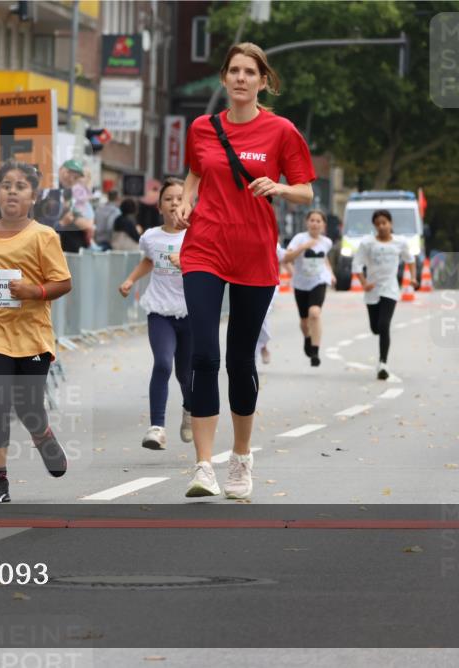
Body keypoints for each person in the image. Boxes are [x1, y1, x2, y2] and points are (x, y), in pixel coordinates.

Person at [175, 43, 315, 499]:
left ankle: (240, 458)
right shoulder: (202, 128)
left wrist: (278, 185)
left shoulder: (281, 131)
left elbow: (306, 193)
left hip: (255, 252)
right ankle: (202, 467)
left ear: (262, 80)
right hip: (205, 248)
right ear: (223, 78)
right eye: (233, 70)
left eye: (248, 72)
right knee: (203, 355)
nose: (239, 78)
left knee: (239, 360)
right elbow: (196, 173)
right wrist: (185, 202)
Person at [0, 160, 73, 503]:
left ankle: (42, 434)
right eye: (6, 185)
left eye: (20, 186)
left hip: (32, 333)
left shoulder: (44, 236)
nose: (12, 191)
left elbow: (63, 283)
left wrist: (33, 292)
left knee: (28, 406)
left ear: (33, 197)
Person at [118, 177, 193, 450]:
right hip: (160, 309)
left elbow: (211, 265)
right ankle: (157, 428)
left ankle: (189, 409)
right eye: (168, 198)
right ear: (160, 205)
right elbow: (149, 260)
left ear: (188, 203)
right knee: (162, 363)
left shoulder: (196, 234)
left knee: (186, 374)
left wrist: (186, 262)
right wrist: (130, 280)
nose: (174, 203)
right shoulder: (151, 236)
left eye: (179, 198)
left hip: (190, 311)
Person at [351, 209, 415, 380]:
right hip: (373, 290)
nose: (381, 226)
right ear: (374, 225)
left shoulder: (400, 242)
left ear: (390, 223)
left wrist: (414, 278)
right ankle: (382, 352)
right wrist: (364, 283)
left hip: (390, 289)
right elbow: (357, 265)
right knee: (375, 327)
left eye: (384, 222)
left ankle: (383, 363)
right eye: (378, 223)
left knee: (384, 324)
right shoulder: (367, 243)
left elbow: (410, 260)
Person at [283, 210, 336, 367]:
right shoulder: (299, 238)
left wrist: (331, 274)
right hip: (300, 283)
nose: (315, 223)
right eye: (312, 220)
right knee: (304, 322)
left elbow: (324, 259)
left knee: (315, 312)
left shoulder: (326, 242)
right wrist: (304, 247)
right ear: (307, 223)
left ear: (323, 225)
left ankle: (315, 351)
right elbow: (287, 258)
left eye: (318, 221)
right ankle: (307, 337)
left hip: (319, 281)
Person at [34, 159, 95, 253]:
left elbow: (88, 225)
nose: (71, 179)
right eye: (68, 173)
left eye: (75, 177)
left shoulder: (66, 196)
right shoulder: (50, 194)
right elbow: (45, 227)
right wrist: (63, 222)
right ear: (60, 170)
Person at [255, 243, 287, 366]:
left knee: (262, 316)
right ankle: (261, 347)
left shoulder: (273, 241)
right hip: (246, 282)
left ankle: (262, 346)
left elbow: (284, 258)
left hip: (268, 283)